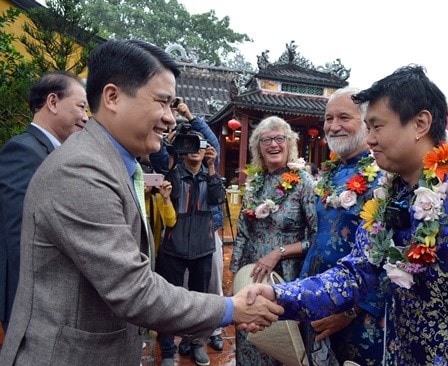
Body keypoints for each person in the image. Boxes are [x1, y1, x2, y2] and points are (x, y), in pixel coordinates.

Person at [0, 39, 282, 366]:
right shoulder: (81, 171)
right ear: (113, 97)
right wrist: (231, 308)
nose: (170, 119)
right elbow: (134, 291)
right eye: (162, 103)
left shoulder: (117, 162)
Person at [247, 65, 448, 365]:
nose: (370, 140)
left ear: (420, 123)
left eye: (377, 127)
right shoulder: (391, 193)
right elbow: (355, 274)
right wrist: (278, 297)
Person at [299, 87, 386, 365]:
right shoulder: (331, 171)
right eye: (328, 118)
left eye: (344, 117)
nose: (333, 126)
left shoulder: (384, 176)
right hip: (316, 298)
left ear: (366, 121)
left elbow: (392, 255)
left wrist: (351, 312)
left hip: (361, 314)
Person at [0, 71, 88, 333]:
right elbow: (20, 237)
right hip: (30, 304)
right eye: (81, 107)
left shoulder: (56, 153)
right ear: (53, 102)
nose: (85, 117)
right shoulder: (24, 151)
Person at [230, 116, 318, 366]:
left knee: (281, 344)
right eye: (266, 140)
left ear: (290, 144)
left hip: (286, 279)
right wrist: (235, 279)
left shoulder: (304, 184)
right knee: (250, 337)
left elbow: (316, 239)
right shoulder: (254, 184)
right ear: (258, 147)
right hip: (251, 276)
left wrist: (278, 252)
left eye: (280, 138)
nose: (273, 145)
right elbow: (243, 234)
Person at [155, 128, 225, 366]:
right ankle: (166, 350)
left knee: (200, 301)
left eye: (201, 144)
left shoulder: (210, 177)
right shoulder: (173, 175)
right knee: (168, 300)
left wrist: (213, 168)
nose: (196, 149)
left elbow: (217, 198)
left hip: (203, 248)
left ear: (207, 150)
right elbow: (161, 166)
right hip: (173, 248)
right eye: (190, 145)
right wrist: (171, 149)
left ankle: (196, 344)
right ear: (184, 150)